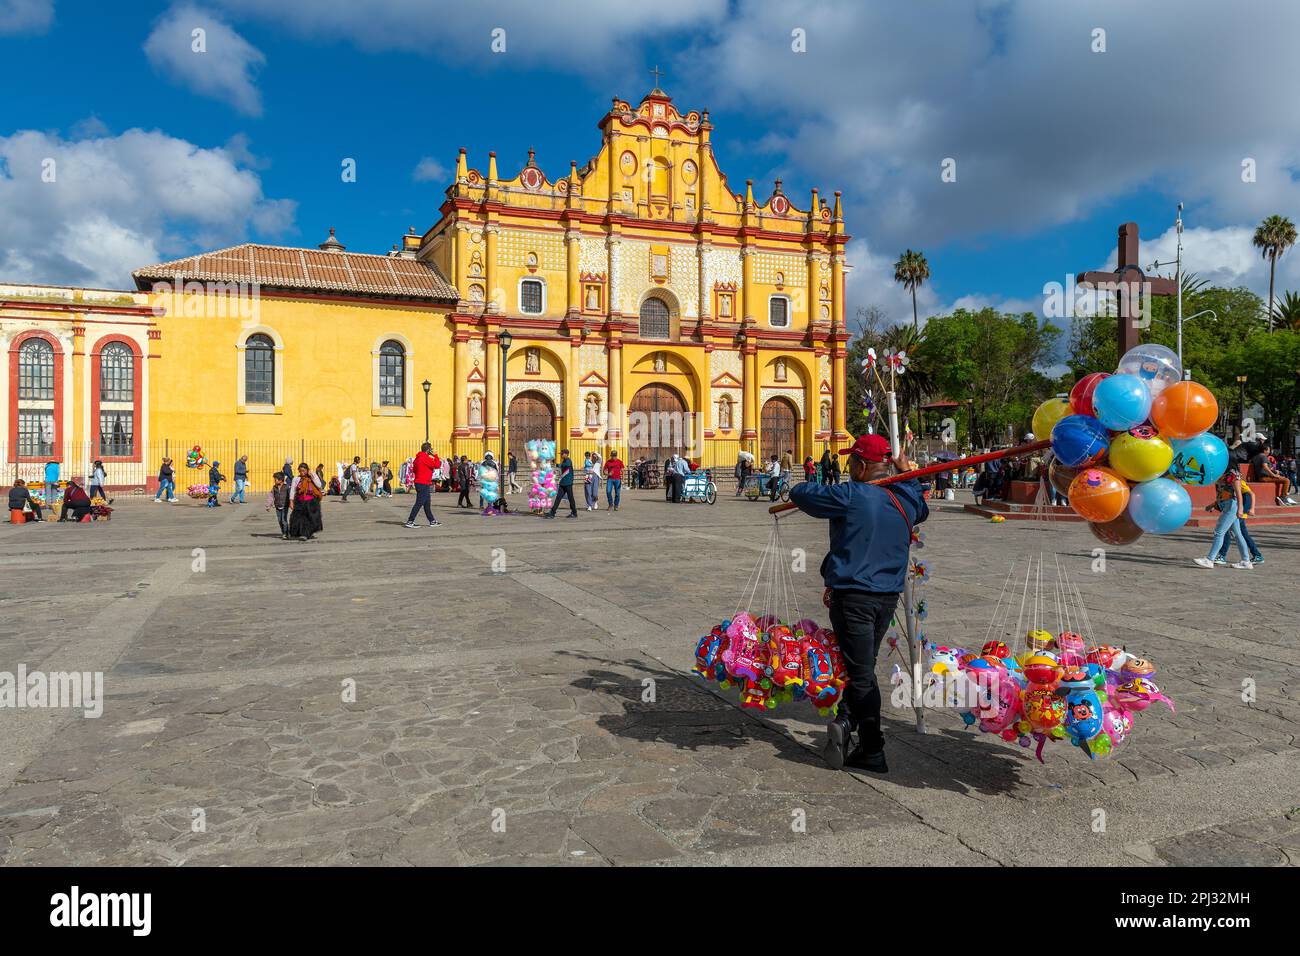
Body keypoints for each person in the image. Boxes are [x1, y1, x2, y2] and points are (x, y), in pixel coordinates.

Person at [789, 433, 929, 774]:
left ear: (863, 466)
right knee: (861, 666)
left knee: (862, 674)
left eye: (851, 462)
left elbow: (800, 493)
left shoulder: (851, 494)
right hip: (886, 599)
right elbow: (922, 508)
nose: (848, 467)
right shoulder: (906, 500)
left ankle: (872, 748)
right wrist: (908, 474)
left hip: (853, 597)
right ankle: (846, 718)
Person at [1195, 466, 1254, 569]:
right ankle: (1246, 561)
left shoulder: (1234, 474)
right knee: (1237, 534)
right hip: (1226, 505)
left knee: (1219, 532)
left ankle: (1210, 559)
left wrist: (1240, 509)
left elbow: (1238, 494)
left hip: (1231, 506)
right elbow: (1223, 493)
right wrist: (1213, 504)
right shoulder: (1222, 473)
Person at [1210, 469, 1264, 566]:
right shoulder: (1224, 480)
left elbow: (1251, 494)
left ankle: (1219, 556)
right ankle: (1247, 558)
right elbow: (1223, 495)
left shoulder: (1238, 481)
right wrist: (1213, 505)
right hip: (1236, 511)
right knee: (1237, 534)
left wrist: (1250, 509)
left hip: (1239, 512)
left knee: (1231, 533)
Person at [405, 443, 441, 528]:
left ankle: (432, 521)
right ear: (428, 450)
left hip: (421, 482)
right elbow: (437, 465)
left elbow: (414, 470)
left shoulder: (417, 458)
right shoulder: (425, 458)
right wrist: (435, 455)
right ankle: (410, 521)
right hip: (423, 483)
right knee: (419, 503)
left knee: (427, 503)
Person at [288, 463, 324, 540]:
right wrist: (291, 501)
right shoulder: (296, 479)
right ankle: (300, 533)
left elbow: (319, 485)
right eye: (300, 471)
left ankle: (307, 534)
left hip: (311, 502)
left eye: (304, 471)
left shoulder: (312, 477)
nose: (302, 473)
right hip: (300, 501)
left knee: (310, 518)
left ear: (307, 470)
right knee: (299, 518)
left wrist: (312, 476)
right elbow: (293, 490)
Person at [545, 448, 578, 518]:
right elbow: (561, 466)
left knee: (570, 498)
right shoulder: (564, 461)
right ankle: (552, 513)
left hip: (568, 483)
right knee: (558, 498)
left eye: (562, 454)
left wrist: (556, 465)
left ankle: (574, 513)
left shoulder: (568, 461)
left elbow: (563, 466)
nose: (561, 455)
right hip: (563, 483)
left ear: (566, 454)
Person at [266, 472, 291, 539]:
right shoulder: (274, 488)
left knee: (284, 520)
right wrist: (268, 505)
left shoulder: (287, 487)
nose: (274, 481)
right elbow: (271, 496)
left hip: (285, 506)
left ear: (281, 480)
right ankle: (283, 532)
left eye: (275, 479)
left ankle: (286, 533)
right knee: (280, 521)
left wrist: (292, 503)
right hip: (277, 506)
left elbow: (291, 496)